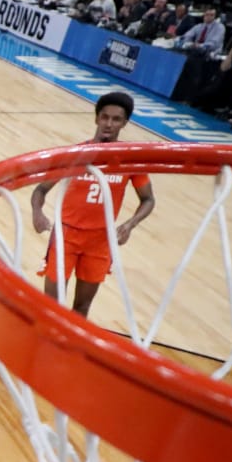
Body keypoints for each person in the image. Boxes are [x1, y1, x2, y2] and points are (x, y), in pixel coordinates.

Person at [30, 91, 158, 318]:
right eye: (105, 117)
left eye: (116, 119)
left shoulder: (130, 159)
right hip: (66, 235)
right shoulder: (76, 154)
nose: (109, 124)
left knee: (82, 307)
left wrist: (130, 224)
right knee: (52, 303)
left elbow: (148, 199)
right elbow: (40, 189)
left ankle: (69, 341)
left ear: (125, 123)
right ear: (96, 118)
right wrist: (37, 212)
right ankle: (45, 339)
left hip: (100, 240)